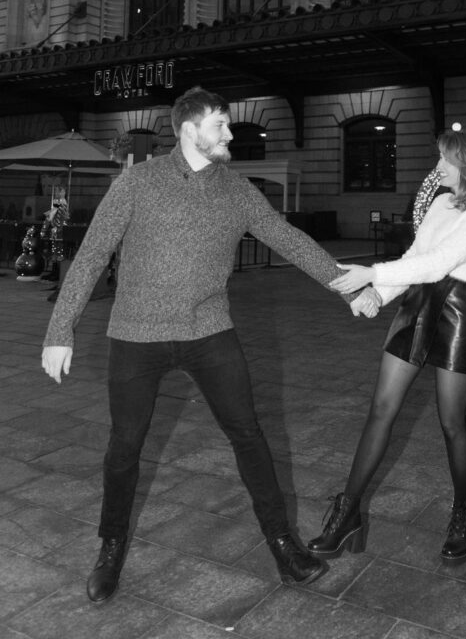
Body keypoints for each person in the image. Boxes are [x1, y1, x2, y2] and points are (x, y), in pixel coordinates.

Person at [41, 87, 379, 603]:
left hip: (209, 331)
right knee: (124, 448)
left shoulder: (237, 190)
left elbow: (287, 239)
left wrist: (347, 287)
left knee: (249, 435)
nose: (229, 134)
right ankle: (110, 549)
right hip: (137, 334)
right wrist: (59, 330)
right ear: (188, 129)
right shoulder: (138, 182)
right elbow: (90, 256)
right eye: (220, 124)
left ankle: (284, 545)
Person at [308, 128, 466, 564]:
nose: (437, 168)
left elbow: (439, 264)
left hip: (457, 312)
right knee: (381, 408)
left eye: (444, 161)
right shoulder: (439, 203)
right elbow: (416, 258)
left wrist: (370, 274)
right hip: (416, 304)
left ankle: (463, 514)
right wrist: (380, 294)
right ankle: (348, 512)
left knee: (452, 422)